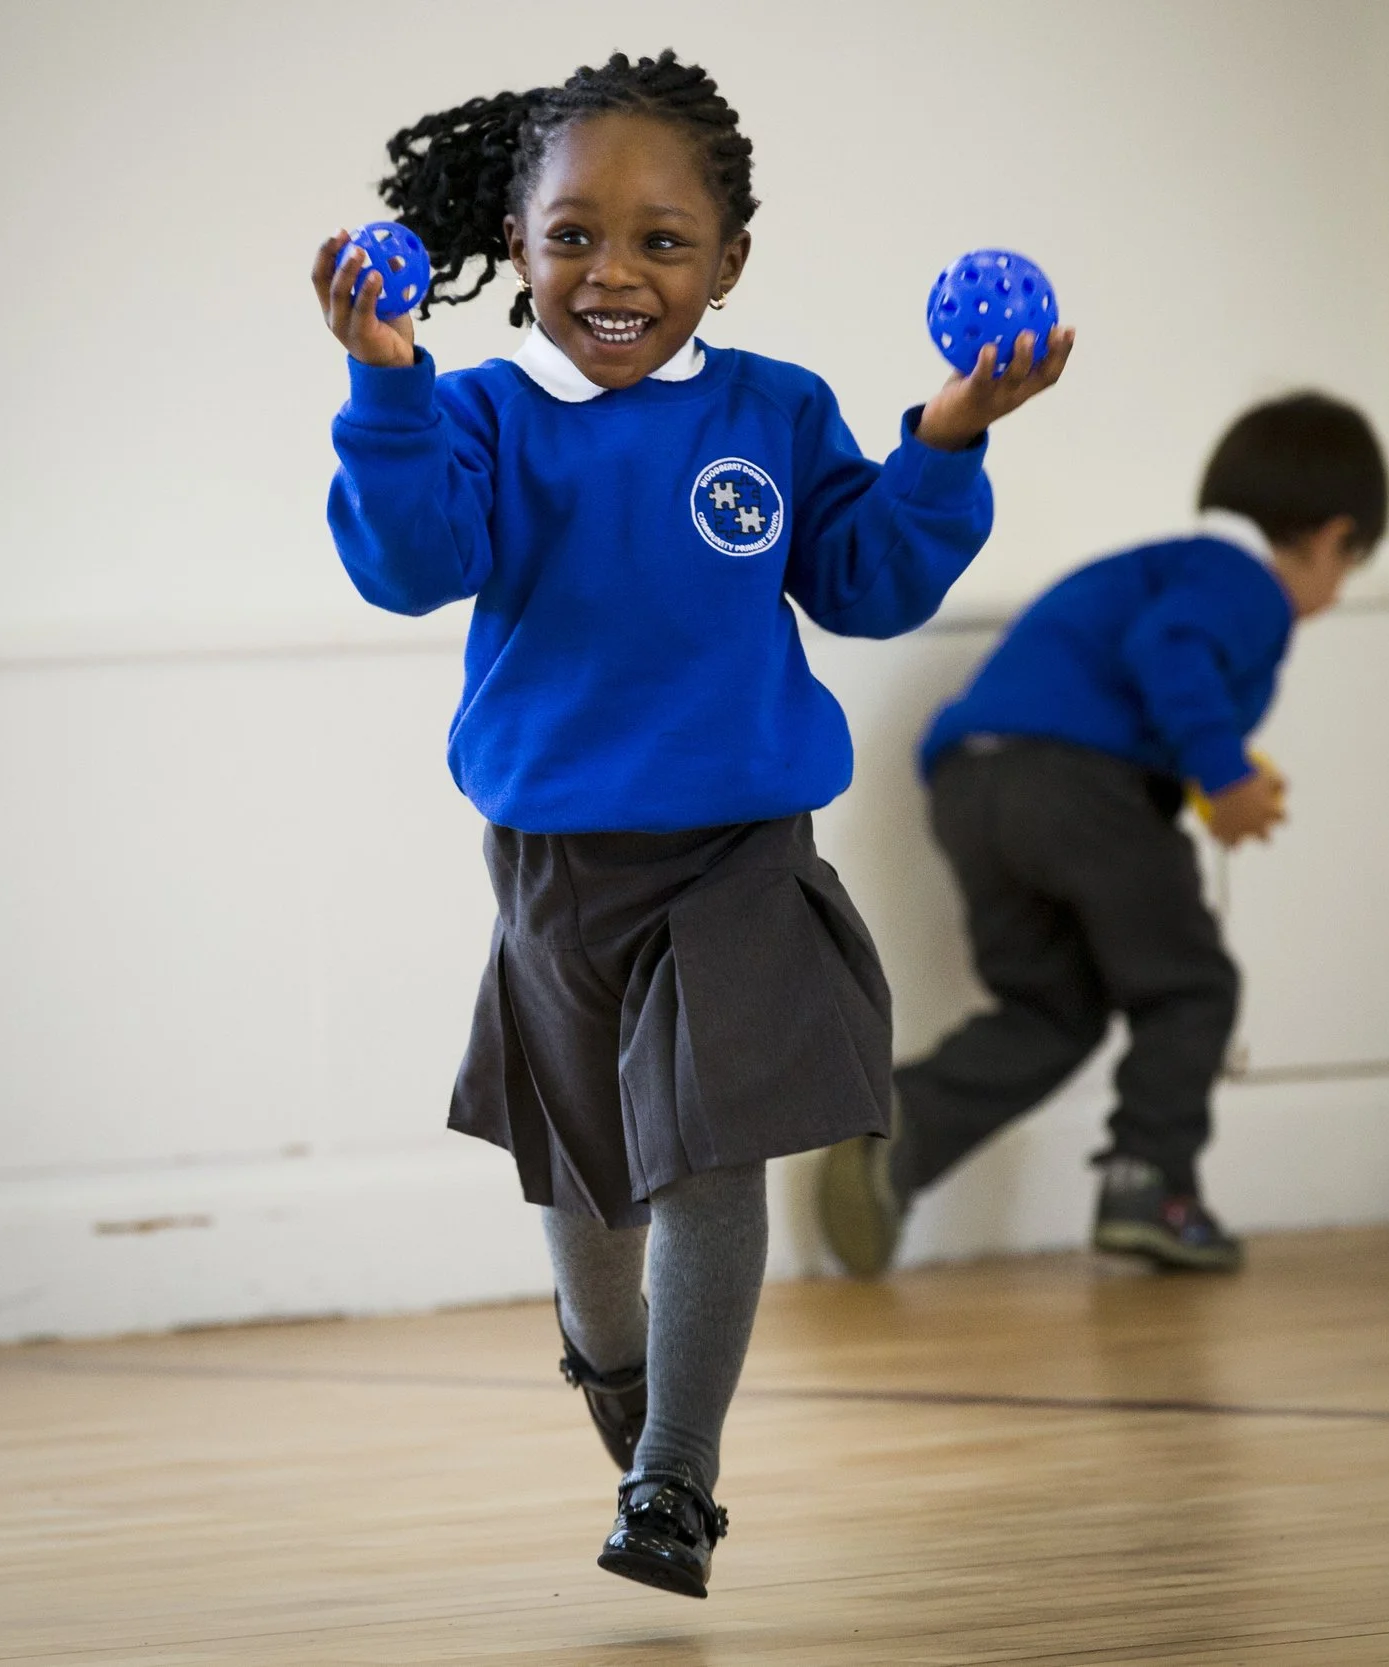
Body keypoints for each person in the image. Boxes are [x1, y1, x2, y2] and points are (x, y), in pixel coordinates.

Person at [315, 50, 1073, 1599]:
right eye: (574, 235)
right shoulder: (480, 414)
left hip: (740, 853)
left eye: (662, 241)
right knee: (594, 1191)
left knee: (709, 1156)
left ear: (728, 261)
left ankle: (675, 1473)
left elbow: (868, 580)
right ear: (517, 248)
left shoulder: (774, 409)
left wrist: (947, 433)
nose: (615, 272)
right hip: (554, 870)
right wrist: (386, 381)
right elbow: (408, 563)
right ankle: (616, 1370)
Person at [816, 393, 1386, 1279]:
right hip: (1079, 787)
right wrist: (1226, 776)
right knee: (1191, 986)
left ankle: (904, 1127)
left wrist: (1208, 765)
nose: (1335, 594)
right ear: (1329, 537)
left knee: (1055, 1008)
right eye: (1349, 567)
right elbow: (1170, 650)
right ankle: (1149, 1182)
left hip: (973, 787)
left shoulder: (1163, 567)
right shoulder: (1242, 582)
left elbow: (1139, 669)